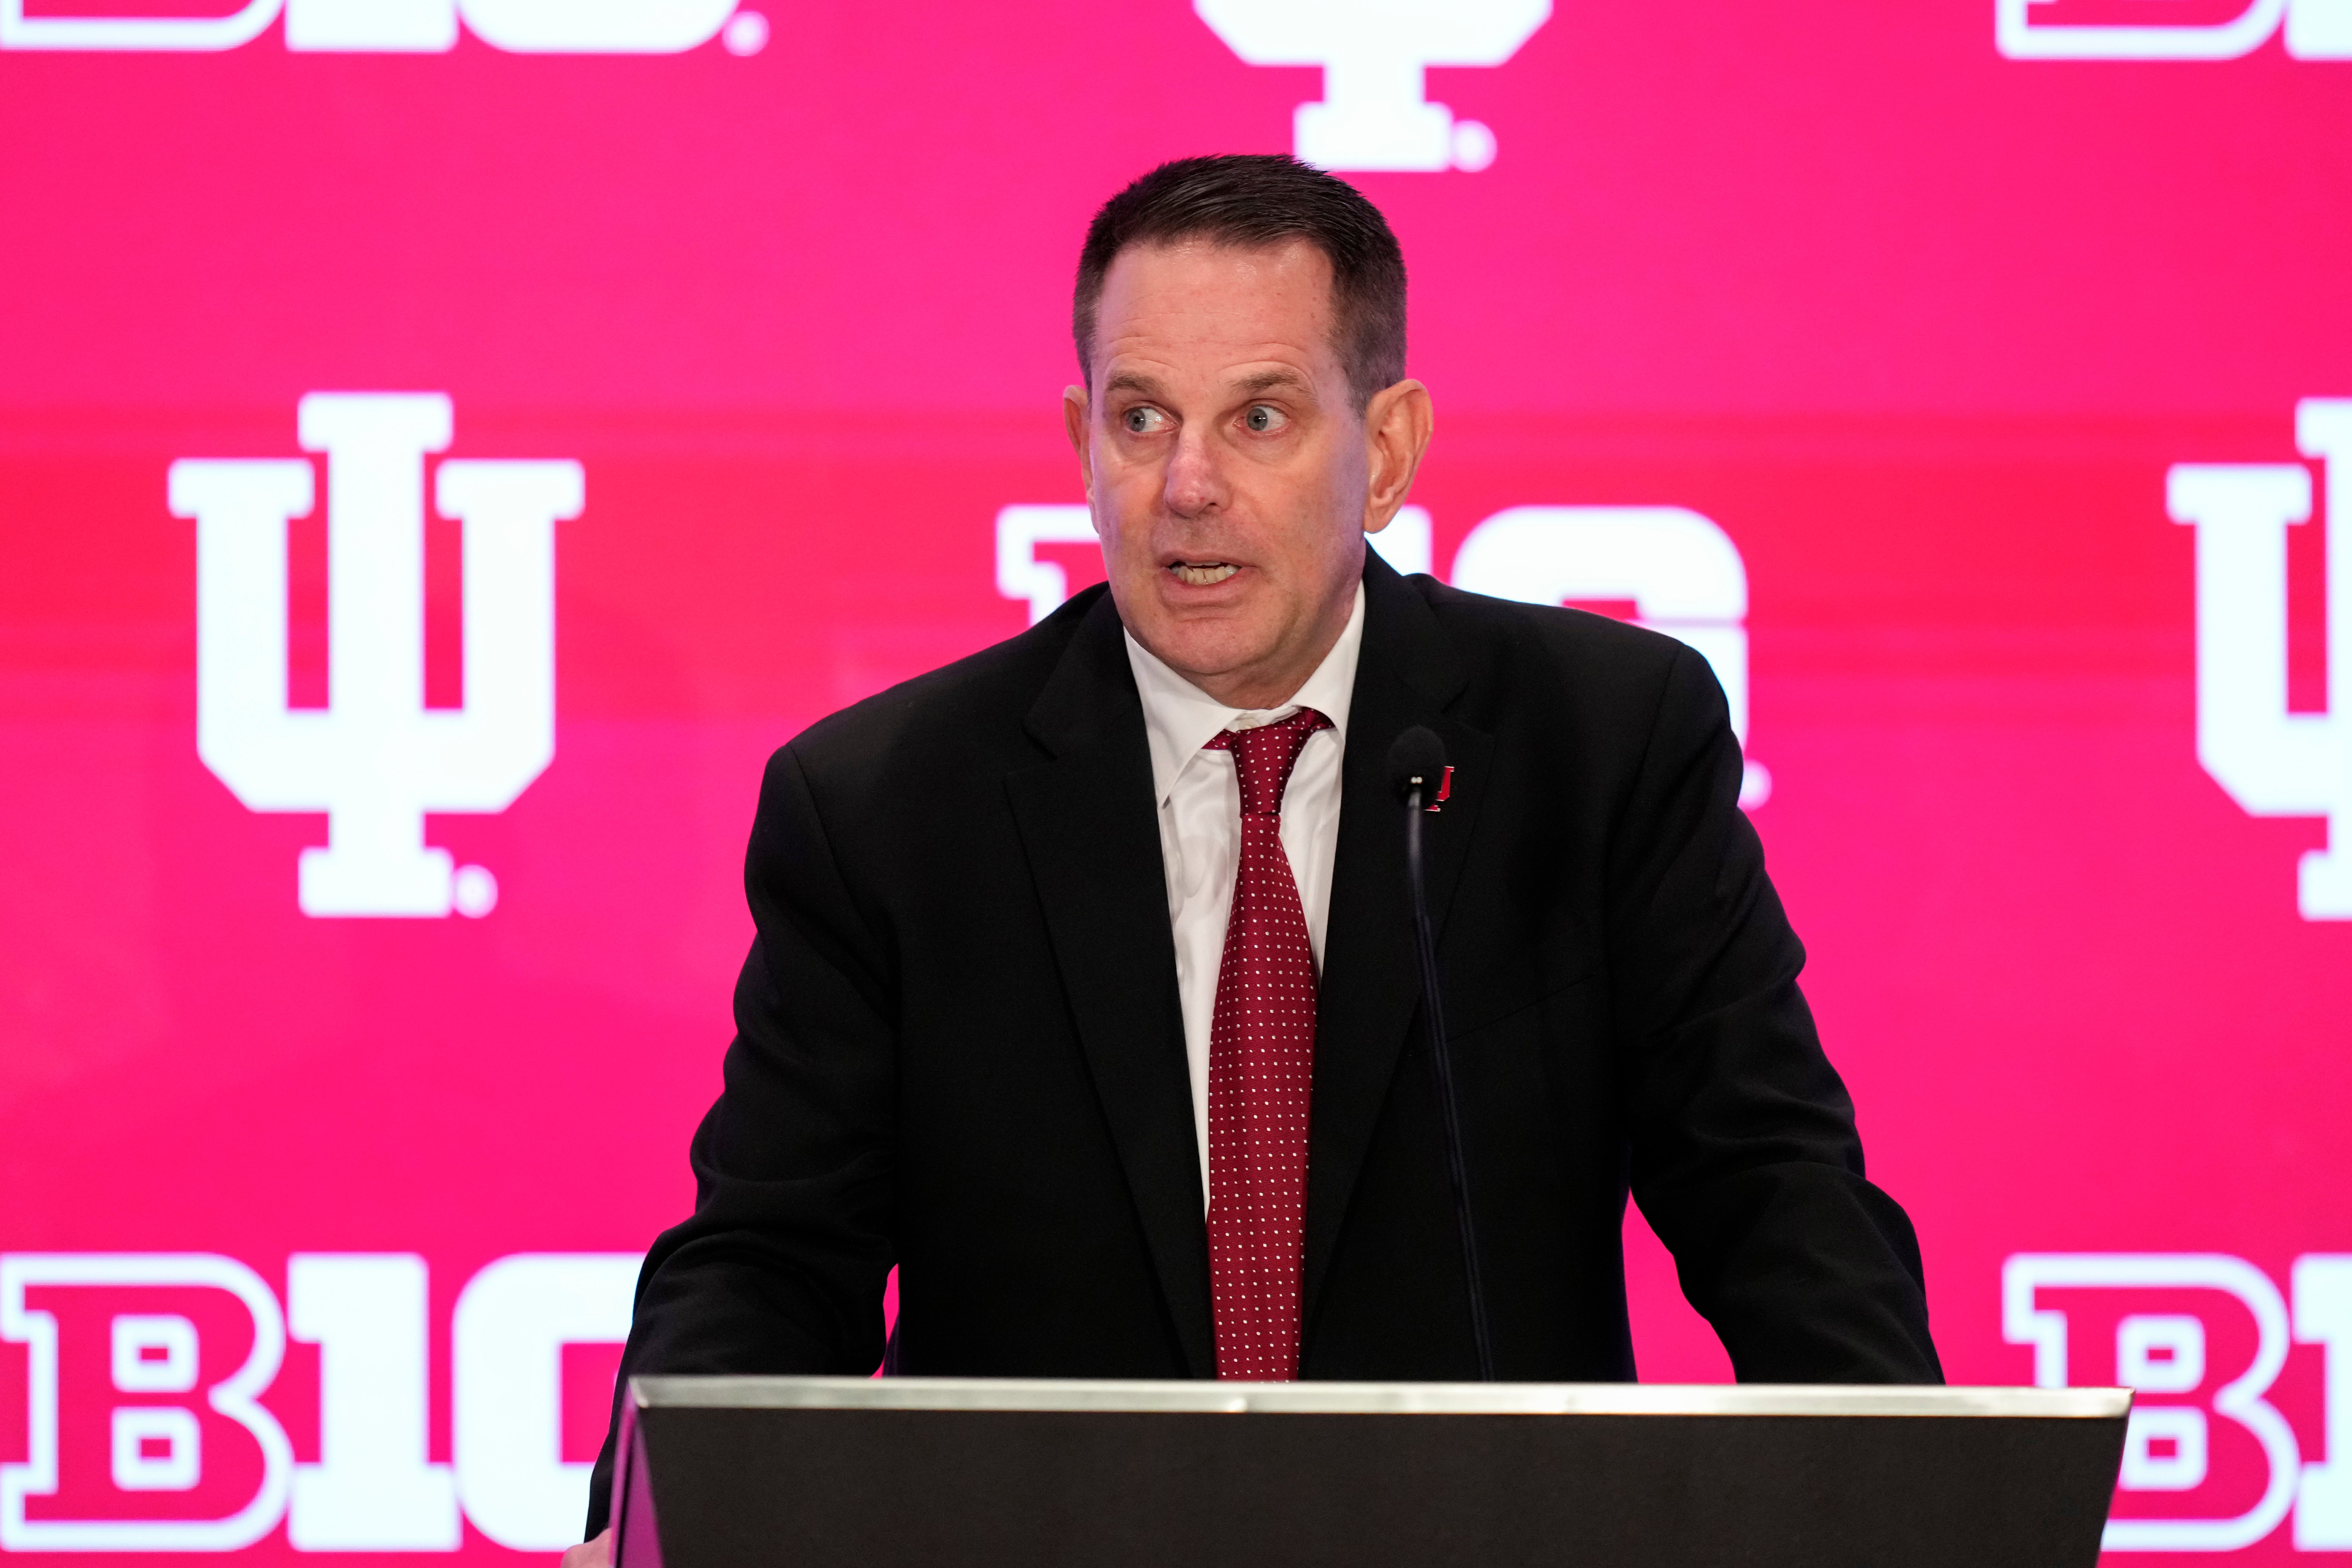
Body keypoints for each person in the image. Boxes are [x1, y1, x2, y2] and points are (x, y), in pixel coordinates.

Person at [562, 153, 1939, 1566]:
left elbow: (1769, 1187)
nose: (1189, 486)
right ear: (1078, 437)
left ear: (1387, 449)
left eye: (1260, 417)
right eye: (1140, 417)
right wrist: (640, 1522)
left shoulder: (1599, 745)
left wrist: (1922, 1508)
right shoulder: (888, 808)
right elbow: (772, 1258)